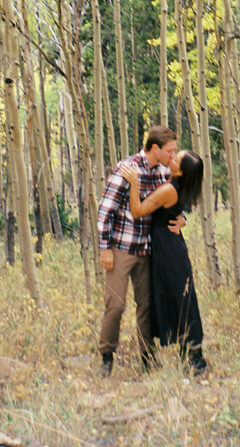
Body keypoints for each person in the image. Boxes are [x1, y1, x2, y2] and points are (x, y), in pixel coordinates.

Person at [96, 125, 180, 377]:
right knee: (116, 305)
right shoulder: (127, 169)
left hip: (147, 250)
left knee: (146, 305)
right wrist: (105, 248)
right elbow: (105, 210)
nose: (173, 156)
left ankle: (147, 357)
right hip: (122, 248)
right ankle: (106, 356)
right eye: (169, 151)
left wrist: (182, 216)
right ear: (155, 149)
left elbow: (172, 200)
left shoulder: (163, 171)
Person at [120, 150, 208, 375]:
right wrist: (184, 219)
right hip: (167, 246)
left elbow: (138, 210)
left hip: (168, 250)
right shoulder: (172, 182)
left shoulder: (169, 188)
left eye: (176, 158)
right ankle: (187, 353)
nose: (172, 157)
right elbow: (176, 211)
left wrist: (133, 183)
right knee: (178, 298)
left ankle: (194, 357)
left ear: (179, 170)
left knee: (181, 300)